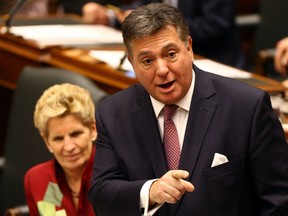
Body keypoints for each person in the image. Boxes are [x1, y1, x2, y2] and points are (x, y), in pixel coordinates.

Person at [88, 3, 288, 216]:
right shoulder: (113, 113)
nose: (162, 70)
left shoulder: (246, 107)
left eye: (171, 54)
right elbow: (101, 193)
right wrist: (150, 191)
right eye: (147, 60)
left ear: (189, 48)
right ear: (131, 63)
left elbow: (278, 201)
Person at [82, 0, 246, 69]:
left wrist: (164, 27)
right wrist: (109, 17)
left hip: (215, 61)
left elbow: (215, 24)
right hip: (164, 56)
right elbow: (143, 5)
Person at [24, 83, 97, 215]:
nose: (69, 147)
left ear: (93, 129)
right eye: (58, 138)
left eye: (75, 134)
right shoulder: (37, 180)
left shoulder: (117, 174)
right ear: (47, 141)